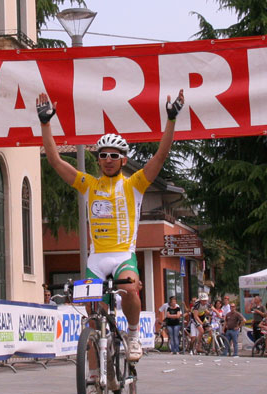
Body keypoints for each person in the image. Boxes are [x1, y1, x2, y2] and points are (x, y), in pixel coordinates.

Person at [37, 88, 184, 368]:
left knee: (130, 289)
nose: (107, 159)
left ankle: (132, 335)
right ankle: (93, 380)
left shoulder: (134, 184)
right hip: (97, 259)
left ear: (123, 160)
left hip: (122, 255)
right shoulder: (89, 185)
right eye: (103, 154)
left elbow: (161, 156)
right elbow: (56, 162)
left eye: (113, 155)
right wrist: (46, 124)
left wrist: (171, 120)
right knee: (93, 322)